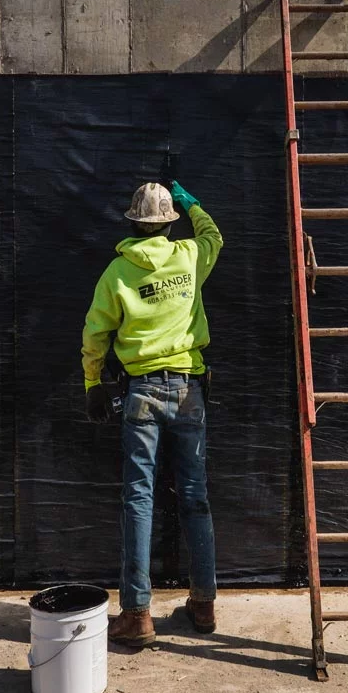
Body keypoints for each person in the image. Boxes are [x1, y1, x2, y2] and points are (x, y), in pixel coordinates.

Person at [81, 180, 223, 647]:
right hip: (188, 390)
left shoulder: (117, 272)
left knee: (139, 498)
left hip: (141, 391)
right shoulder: (189, 256)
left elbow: (95, 332)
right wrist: (194, 202)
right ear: (168, 221)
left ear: (134, 221)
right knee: (194, 496)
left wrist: (92, 383)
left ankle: (137, 614)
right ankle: (203, 604)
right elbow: (214, 237)